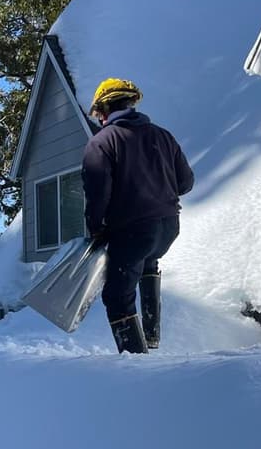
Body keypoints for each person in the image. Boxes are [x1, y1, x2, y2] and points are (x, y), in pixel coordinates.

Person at [81, 77, 194, 354]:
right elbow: (186, 183)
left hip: (132, 230)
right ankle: (152, 339)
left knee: (117, 295)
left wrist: (95, 228)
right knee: (146, 263)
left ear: (104, 110)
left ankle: (138, 364)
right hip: (168, 227)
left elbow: (98, 194)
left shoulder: (103, 142)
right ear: (132, 103)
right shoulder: (163, 136)